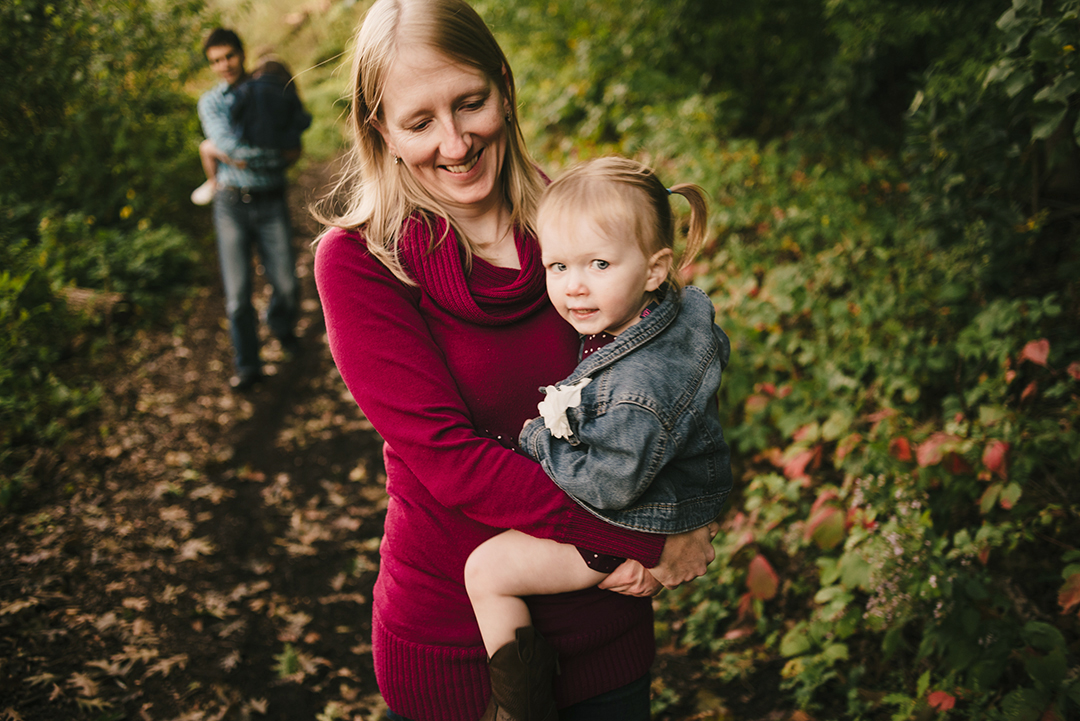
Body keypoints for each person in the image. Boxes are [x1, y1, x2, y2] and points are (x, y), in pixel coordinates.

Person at [313, 1, 719, 720]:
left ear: (504, 85)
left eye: (471, 103)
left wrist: (688, 505)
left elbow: (664, 383)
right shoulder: (360, 262)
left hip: (604, 627)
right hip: (457, 644)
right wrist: (649, 533)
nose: (455, 142)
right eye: (419, 121)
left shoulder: (575, 225)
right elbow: (450, 459)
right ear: (380, 128)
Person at [463, 157, 733, 719]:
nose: (574, 287)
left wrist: (539, 440)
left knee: (486, 571)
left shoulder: (637, 388)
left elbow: (608, 484)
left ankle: (519, 711)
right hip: (663, 499)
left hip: (632, 515)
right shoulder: (669, 317)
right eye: (557, 266)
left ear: (655, 269)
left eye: (599, 264)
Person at [197, 28, 305, 390]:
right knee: (238, 296)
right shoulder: (211, 102)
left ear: (241, 54)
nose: (223, 65)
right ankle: (248, 365)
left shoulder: (270, 89)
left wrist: (225, 153)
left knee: (287, 285)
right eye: (215, 60)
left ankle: (281, 326)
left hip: (271, 200)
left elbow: (294, 143)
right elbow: (233, 149)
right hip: (231, 204)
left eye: (228, 56)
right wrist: (273, 156)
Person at [191, 55, 312, 205]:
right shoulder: (288, 97)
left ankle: (212, 183)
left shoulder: (250, 93)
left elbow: (237, 120)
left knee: (206, 147)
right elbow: (303, 124)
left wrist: (242, 158)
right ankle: (213, 183)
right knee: (208, 148)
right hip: (278, 156)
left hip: (254, 157)